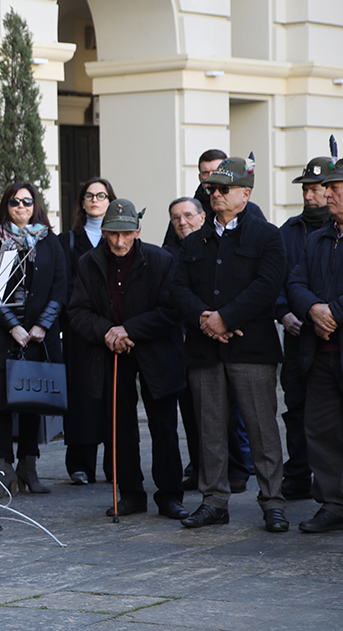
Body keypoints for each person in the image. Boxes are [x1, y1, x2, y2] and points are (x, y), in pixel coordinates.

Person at [169, 155, 288, 532]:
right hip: (206, 348)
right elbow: (177, 288)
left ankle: (272, 502)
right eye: (211, 189)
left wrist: (227, 317)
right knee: (210, 430)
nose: (215, 194)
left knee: (261, 429)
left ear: (245, 193)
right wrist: (206, 318)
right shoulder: (195, 237)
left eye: (223, 189)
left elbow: (267, 287)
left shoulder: (266, 235)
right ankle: (214, 501)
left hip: (252, 348)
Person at [66, 199, 187, 519]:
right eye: (113, 234)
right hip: (111, 354)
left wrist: (129, 329)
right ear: (104, 232)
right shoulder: (88, 262)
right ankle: (130, 493)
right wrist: (107, 331)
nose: (120, 242)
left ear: (138, 232)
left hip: (156, 352)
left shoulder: (161, 260)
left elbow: (172, 310)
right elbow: (77, 311)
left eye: (127, 234)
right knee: (120, 426)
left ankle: (170, 494)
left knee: (164, 426)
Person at [0, 181, 66, 494]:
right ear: (6, 206)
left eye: (27, 202)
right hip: (5, 334)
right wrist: (13, 325)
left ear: (35, 205)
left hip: (40, 336)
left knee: (33, 401)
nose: (21, 208)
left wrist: (42, 325)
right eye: (14, 202)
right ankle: (4, 467)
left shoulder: (49, 240)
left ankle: (29, 464)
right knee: (2, 404)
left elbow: (60, 285)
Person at [167, 197, 252, 494]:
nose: (182, 222)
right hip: (186, 344)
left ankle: (238, 468)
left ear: (202, 217)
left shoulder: (216, 246)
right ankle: (201, 466)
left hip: (222, 337)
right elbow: (175, 294)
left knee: (228, 412)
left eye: (188, 215)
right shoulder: (170, 252)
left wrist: (213, 321)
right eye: (176, 217)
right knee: (194, 413)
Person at [286, 158, 343, 532]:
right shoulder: (316, 238)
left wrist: (332, 312)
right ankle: (333, 503)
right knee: (321, 430)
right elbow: (295, 282)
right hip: (320, 354)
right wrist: (312, 308)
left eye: (335, 190)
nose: (326, 194)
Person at [273, 154, 334, 502]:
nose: (309, 196)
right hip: (296, 336)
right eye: (306, 189)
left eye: (315, 189)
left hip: (329, 335)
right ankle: (298, 474)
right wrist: (284, 313)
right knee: (295, 407)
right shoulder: (289, 232)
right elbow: (278, 280)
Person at [59, 178, 116, 485]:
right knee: (81, 397)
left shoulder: (119, 238)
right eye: (89, 196)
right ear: (81, 203)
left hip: (113, 330)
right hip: (79, 330)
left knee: (113, 396)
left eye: (102, 195)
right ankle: (80, 464)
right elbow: (64, 284)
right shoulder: (67, 240)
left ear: (111, 201)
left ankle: (114, 463)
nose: (95, 200)